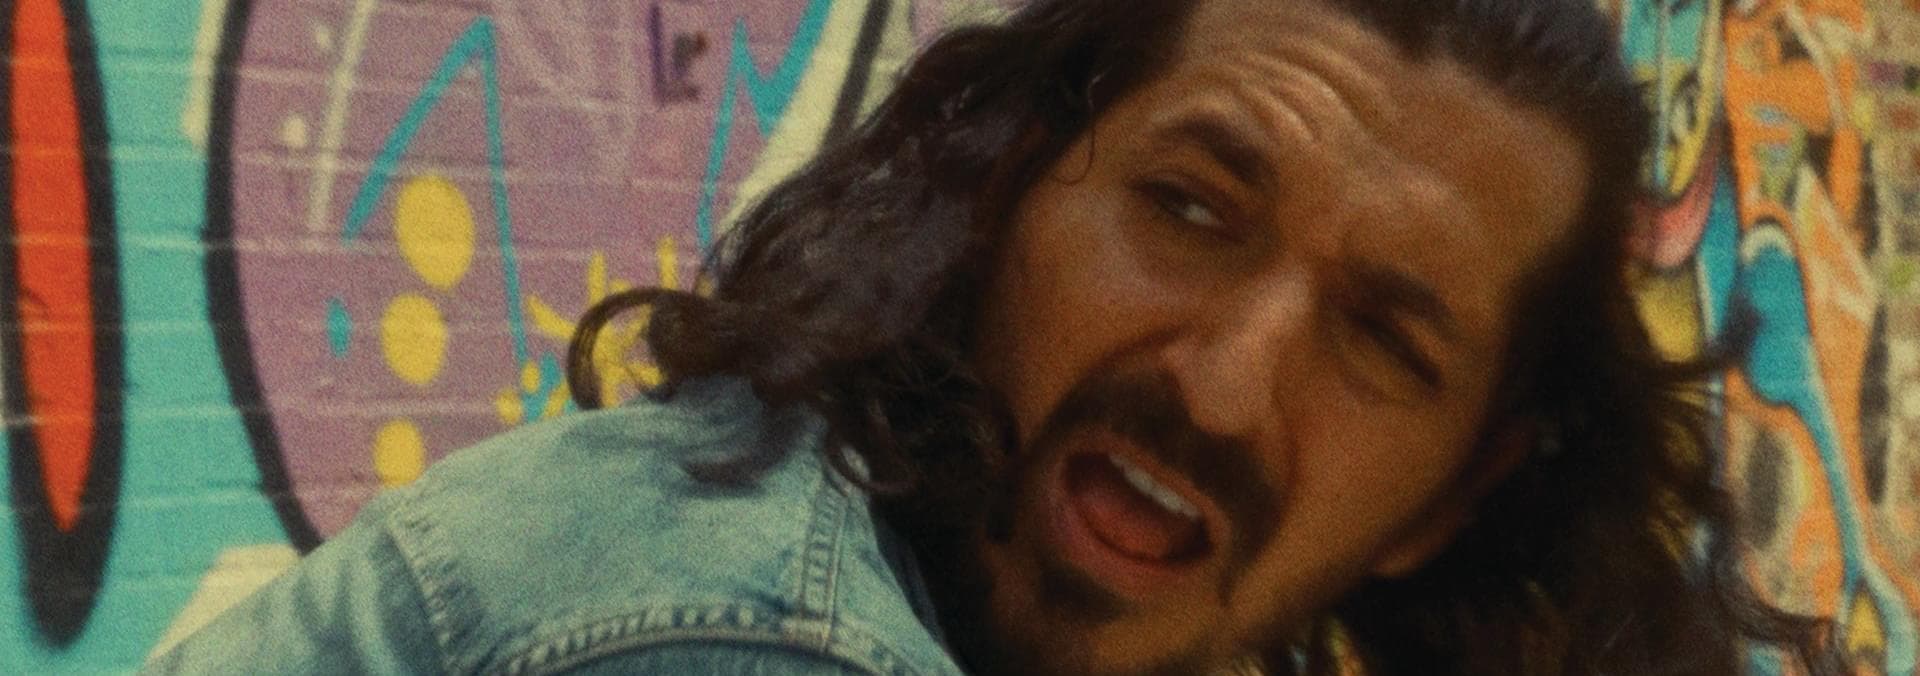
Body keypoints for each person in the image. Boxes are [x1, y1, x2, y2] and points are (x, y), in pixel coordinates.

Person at [149, 0, 1840, 673]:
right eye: (1189, 208)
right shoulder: (754, 629)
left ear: (1450, 499)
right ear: (1017, 184)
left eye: (1383, 343)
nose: (1222, 384)